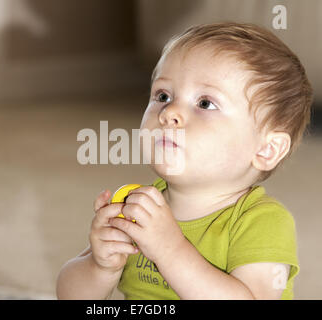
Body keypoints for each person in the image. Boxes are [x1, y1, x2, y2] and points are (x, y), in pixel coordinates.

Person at [56, 22, 313, 300]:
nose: (170, 112)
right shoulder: (139, 207)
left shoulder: (263, 223)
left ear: (266, 149)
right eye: (163, 96)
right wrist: (99, 266)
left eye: (205, 103)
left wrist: (170, 250)